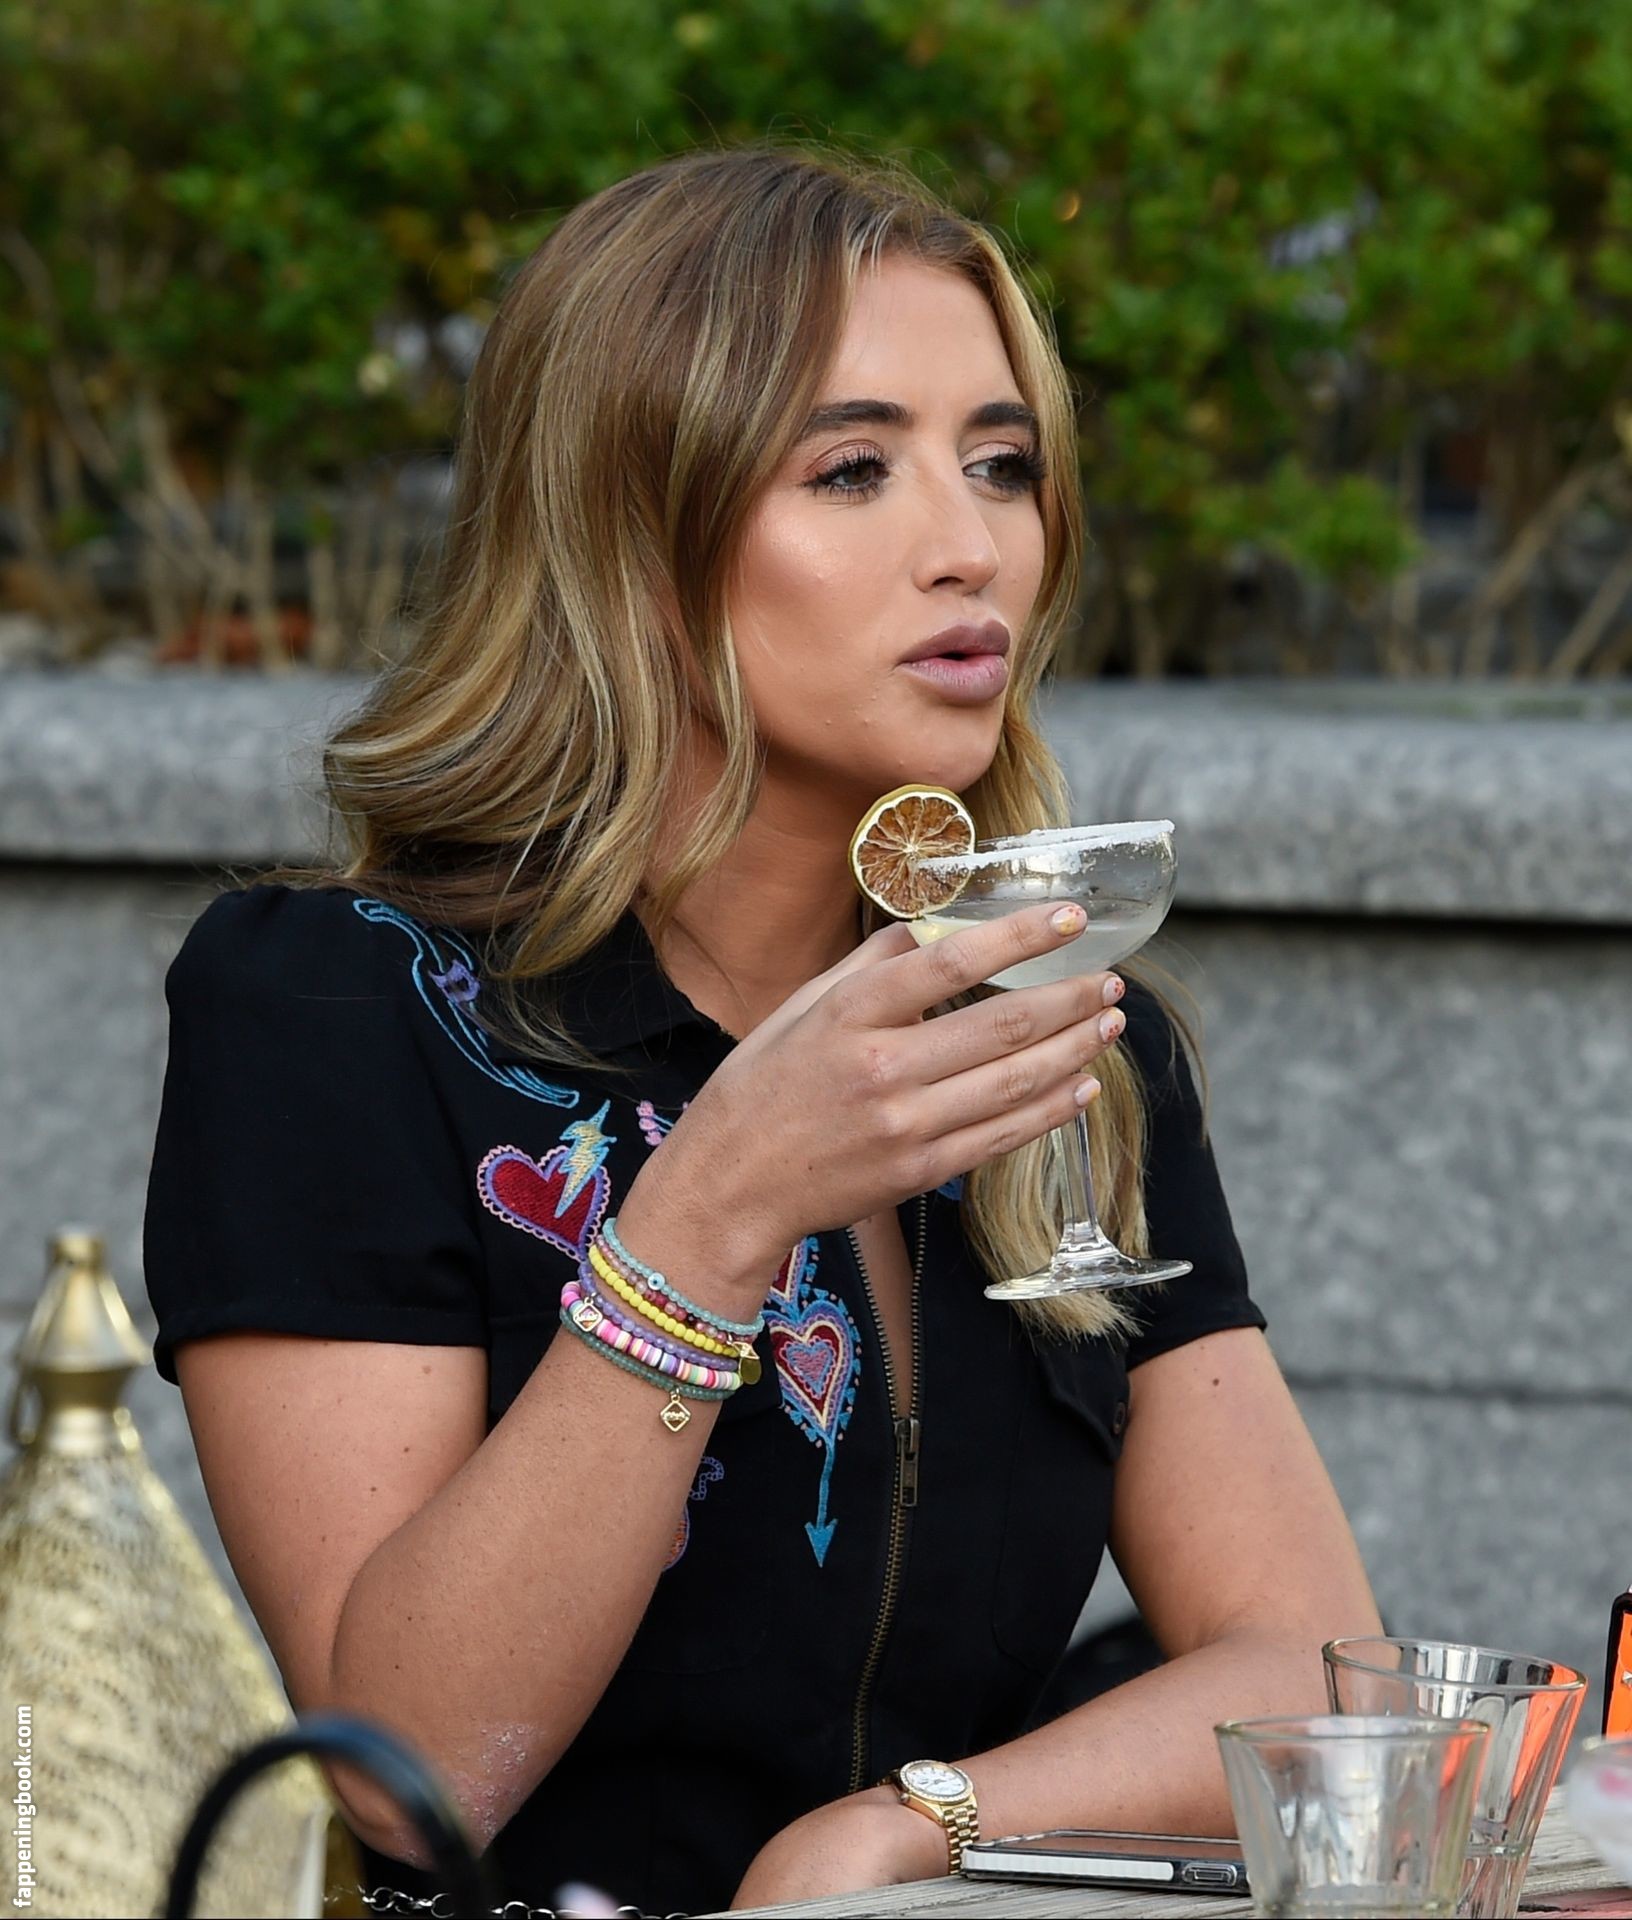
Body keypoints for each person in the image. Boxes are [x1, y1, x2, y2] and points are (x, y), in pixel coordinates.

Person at [144, 143, 1380, 1915]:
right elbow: (411, 1772)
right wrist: (716, 1208)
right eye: (853, 468)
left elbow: (1314, 1674)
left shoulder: (1060, 1047)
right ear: (632, 538)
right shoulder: (340, 1005)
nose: (973, 548)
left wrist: (908, 1829)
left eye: (1003, 465)